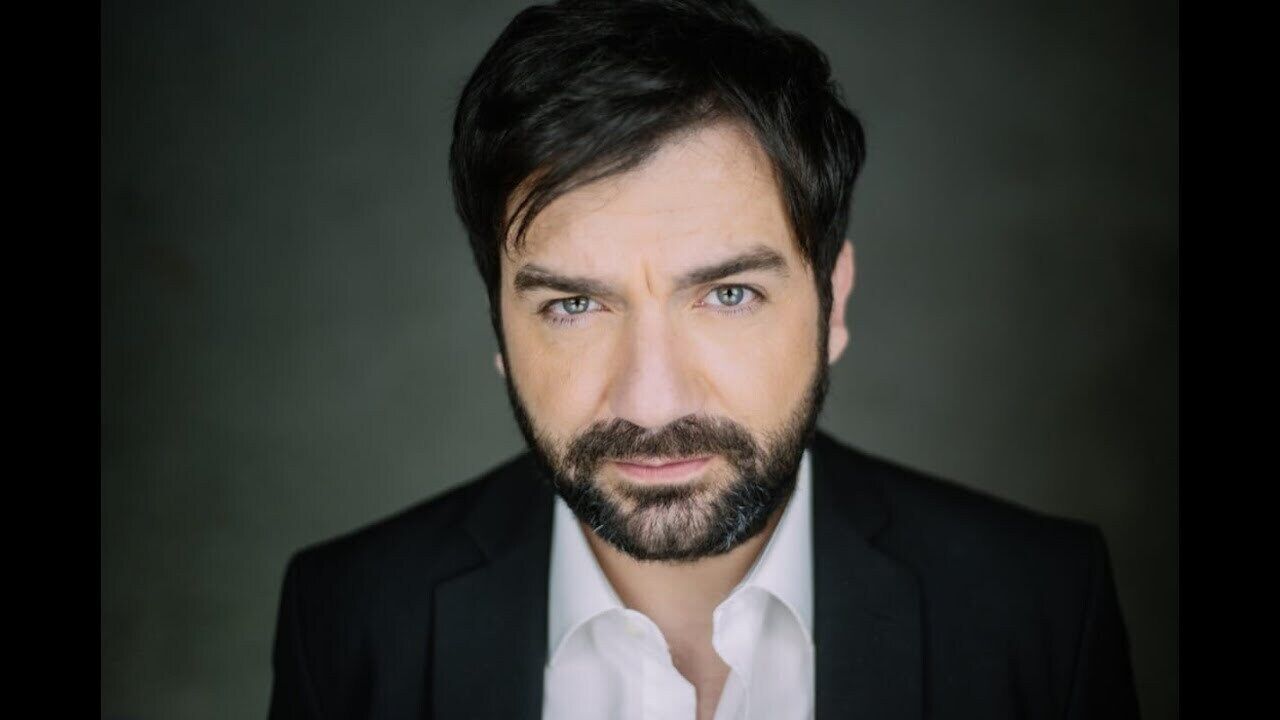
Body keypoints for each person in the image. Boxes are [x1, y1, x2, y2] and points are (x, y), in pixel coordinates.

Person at [267, 1, 1141, 718]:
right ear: (499, 324)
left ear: (832, 301)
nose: (651, 403)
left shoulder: (1040, 607)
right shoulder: (348, 620)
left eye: (728, 295)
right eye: (574, 305)